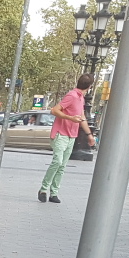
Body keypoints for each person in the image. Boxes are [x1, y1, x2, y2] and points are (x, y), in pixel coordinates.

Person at [39, 73, 96, 204]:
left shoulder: (81, 98)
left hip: (72, 136)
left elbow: (82, 118)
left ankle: (54, 193)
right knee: (57, 162)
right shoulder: (72, 96)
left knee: (62, 166)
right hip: (61, 134)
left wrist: (89, 135)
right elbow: (54, 110)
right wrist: (70, 118)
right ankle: (43, 189)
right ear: (90, 86)